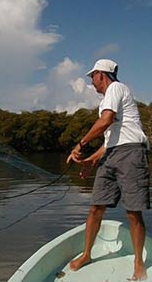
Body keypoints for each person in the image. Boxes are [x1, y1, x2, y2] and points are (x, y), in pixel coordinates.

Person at [66, 59, 150, 281]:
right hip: (112, 154)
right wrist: (92, 160)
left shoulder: (116, 88)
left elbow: (105, 122)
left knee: (133, 212)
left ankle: (138, 263)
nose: (92, 83)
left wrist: (80, 144)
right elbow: (109, 140)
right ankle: (87, 254)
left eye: (92, 77)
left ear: (101, 75)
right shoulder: (107, 100)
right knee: (95, 207)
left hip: (131, 152)